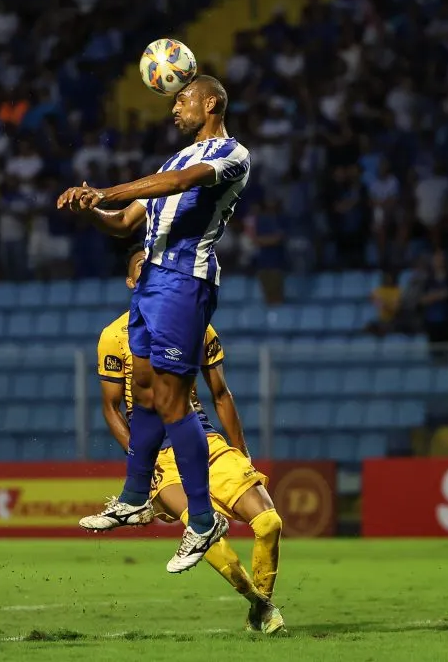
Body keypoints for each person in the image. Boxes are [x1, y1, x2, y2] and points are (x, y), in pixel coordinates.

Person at [57, 75, 249, 573]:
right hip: (151, 283)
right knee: (141, 389)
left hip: (184, 281)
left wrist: (106, 190)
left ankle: (202, 520)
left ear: (211, 102)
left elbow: (182, 184)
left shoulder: (232, 154)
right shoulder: (170, 161)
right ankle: (134, 496)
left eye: (182, 100)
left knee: (170, 399)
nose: (174, 108)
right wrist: (92, 208)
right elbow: (125, 223)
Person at [97, 246, 284, 634]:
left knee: (269, 523)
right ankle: (262, 608)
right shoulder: (113, 337)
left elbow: (221, 394)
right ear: (131, 282)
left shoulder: (196, 325)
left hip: (205, 442)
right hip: (161, 460)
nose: (149, 271)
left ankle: (259, 609)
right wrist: (141, 464)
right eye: (141, 267)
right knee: (206, 534)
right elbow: (112, 409)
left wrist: (242, 454)